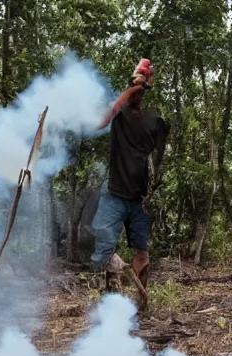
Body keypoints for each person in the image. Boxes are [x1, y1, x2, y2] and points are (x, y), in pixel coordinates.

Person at [90, 59, 170, 302]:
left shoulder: (154, 121)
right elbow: (99, 122)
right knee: (104, 252)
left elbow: (160, 158)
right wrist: (130, 90)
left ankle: (141, 304)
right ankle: (107, 304)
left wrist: (153, 188)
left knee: (143, 253)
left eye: (141, 86)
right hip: (114, 194)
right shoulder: (118, 113)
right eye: (133, 86)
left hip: (139, 201)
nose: (137, 91)